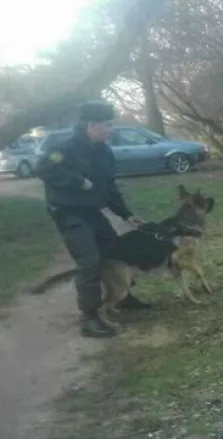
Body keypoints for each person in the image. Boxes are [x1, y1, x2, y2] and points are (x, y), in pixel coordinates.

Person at [37, 100, 150, 338]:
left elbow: (109, 188)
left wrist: (127, 214)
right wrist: (78, 181)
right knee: (90, 261)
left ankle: (122, 297)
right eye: (106, 125)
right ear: (91, 125)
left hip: (90, 210)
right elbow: (45, 169)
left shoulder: (103, 151)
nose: (110, 130)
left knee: (116, 250)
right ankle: (89, 318)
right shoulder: (64, 146)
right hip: (67, 211)